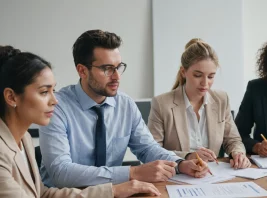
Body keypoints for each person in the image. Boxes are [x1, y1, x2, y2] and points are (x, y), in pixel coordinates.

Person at [39, 30, 208, 188]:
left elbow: (148, 148)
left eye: (119, 67)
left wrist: (180, 164)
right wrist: (132, 172)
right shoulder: (56, 107)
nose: (117, 77)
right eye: (107, 69)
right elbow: (60, 172)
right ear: (82, 71)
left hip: (113, 193)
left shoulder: (125, 104)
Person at [0, 46, 161, 198]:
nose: (55, 101)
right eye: (44, 92)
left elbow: (43, 194)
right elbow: (59, 176)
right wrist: (130, 174)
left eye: (53, 90)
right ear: (11, 97)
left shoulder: (24, 139)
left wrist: (112, 191)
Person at [148, 38, 251, 169]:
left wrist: (238, 153)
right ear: (183, 72)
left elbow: (233, 140)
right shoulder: (162, 104)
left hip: (212, 176)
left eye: (211, 76)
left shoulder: (221, 99)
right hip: (176, 177)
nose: (205, 83)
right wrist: (188, 156)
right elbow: (152, 152)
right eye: (198, 75)